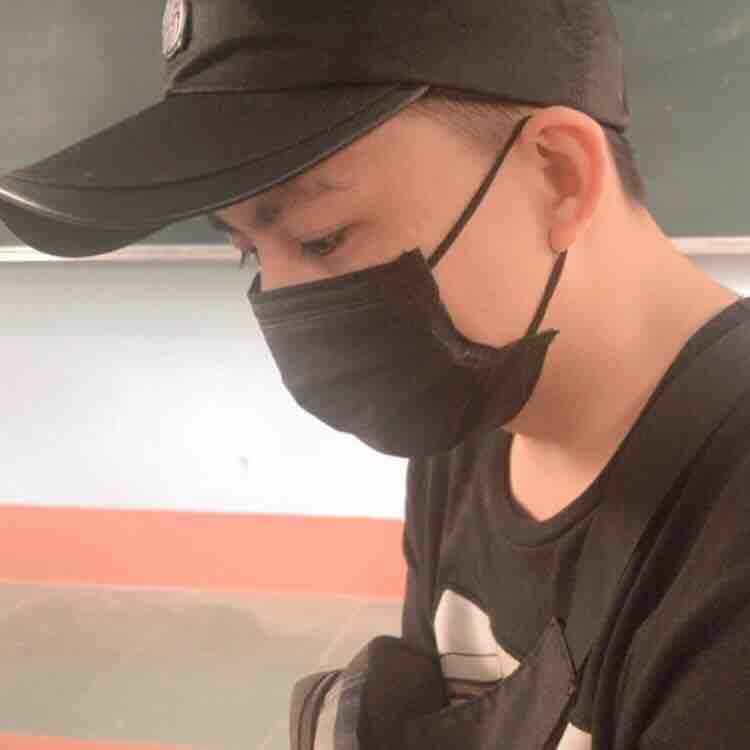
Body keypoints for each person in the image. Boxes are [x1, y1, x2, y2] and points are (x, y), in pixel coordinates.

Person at [2, 1, 750, 748]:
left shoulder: (723, 543)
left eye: (322, 237)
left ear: (559, 176)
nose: (283, 300)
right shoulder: (472, 412)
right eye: (249, 251)